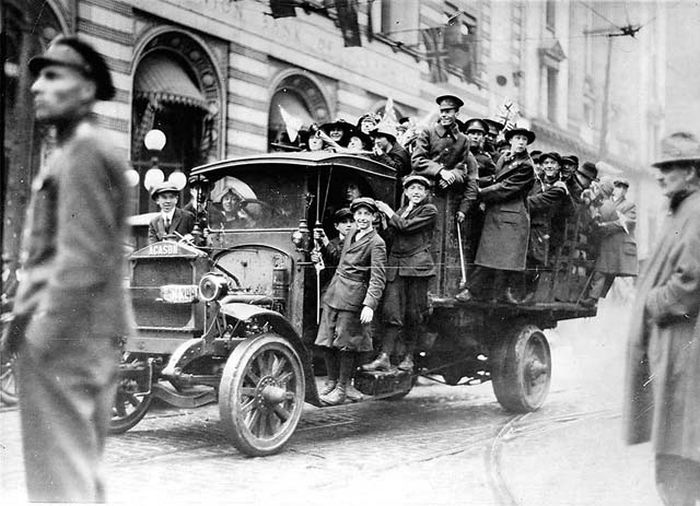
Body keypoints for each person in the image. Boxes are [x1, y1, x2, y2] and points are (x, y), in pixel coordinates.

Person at [2, 36, 132, 502]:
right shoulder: (74, 151)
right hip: (79, 335)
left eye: (53, 76)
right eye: (38, 75)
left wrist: (40, 338)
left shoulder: (85, 152)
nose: (37, 86)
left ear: (86, 90)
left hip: (66, 339)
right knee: (72, 475)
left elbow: (83, 259)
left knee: (61, 487)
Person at [623, 151, 700, 506]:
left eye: (669, 168)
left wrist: (652, 302)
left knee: (681, 456)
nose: (660, 176)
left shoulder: (696, 212)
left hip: (686, 348)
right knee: (675, 453)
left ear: (690, 171)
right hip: (674, 348)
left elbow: (690, 284)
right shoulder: (681, 210)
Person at [314, 197, 387, 405]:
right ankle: (331, 382)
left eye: (367, 214)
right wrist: (325, 242)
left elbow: (378, 277)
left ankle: (342, 388)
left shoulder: (377, 243)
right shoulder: (352, 233)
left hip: (354, 296)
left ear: (374, 217)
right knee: (326, 340)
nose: (362, 218)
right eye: (359, 214)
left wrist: (369, 304)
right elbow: (339, 259)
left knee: (346, 344)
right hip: (335, 292)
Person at [363, 175, 437, 373]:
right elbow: (391, 237)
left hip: (416, 269)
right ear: (405, 192)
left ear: (426, 193)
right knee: (392, 313)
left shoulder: (429, 210)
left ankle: (409, 357)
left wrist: (388, 211)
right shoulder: (402, 211)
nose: (416, 192)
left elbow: (406, 227)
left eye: (420, 188)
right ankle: (385, 357)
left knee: (414, 314)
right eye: (412, 188)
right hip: (396, 268)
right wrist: (384, 221)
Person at [456, 126, 536, 303]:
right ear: (511, 141)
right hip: (498, 214)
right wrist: (473, 181)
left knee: (497, 258)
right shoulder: (504, 158)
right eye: (518, 139)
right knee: (490, 256)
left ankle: (473, 291)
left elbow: (506, 187)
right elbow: (496, 179)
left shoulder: (526, 166)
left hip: (512, 216)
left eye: (524, 139)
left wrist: (479, 191)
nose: (521, 142)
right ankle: (494, 294)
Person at [412, 94, 478, 295]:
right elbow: (417, 161)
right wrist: (441, 171)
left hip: (447, 199)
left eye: (449, 112)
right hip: (425, 193)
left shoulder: (463, 140)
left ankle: (438, 288)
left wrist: (453, 176)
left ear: (457, 113)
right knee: (423, 239)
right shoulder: (428, 132)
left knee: (441, 243)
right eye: (442, 111)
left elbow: (463, 168)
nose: (445, 115)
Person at [582, 177, 638, 307]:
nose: (620, 190)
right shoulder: (604, 201)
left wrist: (604, 226)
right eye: (617, 186)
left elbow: (625, 223)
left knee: (602, 270)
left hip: (616, 245)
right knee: (600, 270)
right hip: (603, 242)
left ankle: (593, 298)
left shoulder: (629, 205)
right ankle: (592, 297)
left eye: (623, 188)